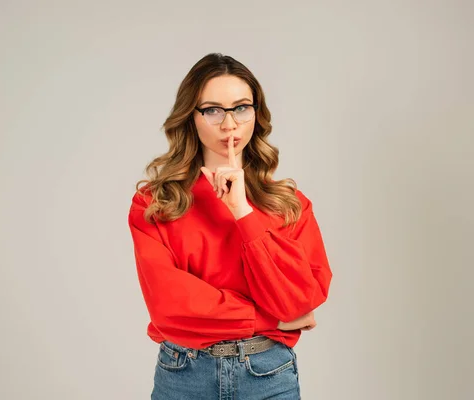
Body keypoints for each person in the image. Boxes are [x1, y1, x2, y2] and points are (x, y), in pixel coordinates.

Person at [127, 53, 333, 400]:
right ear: (190, 117)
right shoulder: (155, 204)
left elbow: (301, 299)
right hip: (184, 376)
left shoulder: (290, 204)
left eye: (241, 108)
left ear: (257, 113)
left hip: (268, 374)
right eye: (212, 110)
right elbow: (170, 306)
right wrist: (272, 319)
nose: (229, 124)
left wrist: (242, 212)